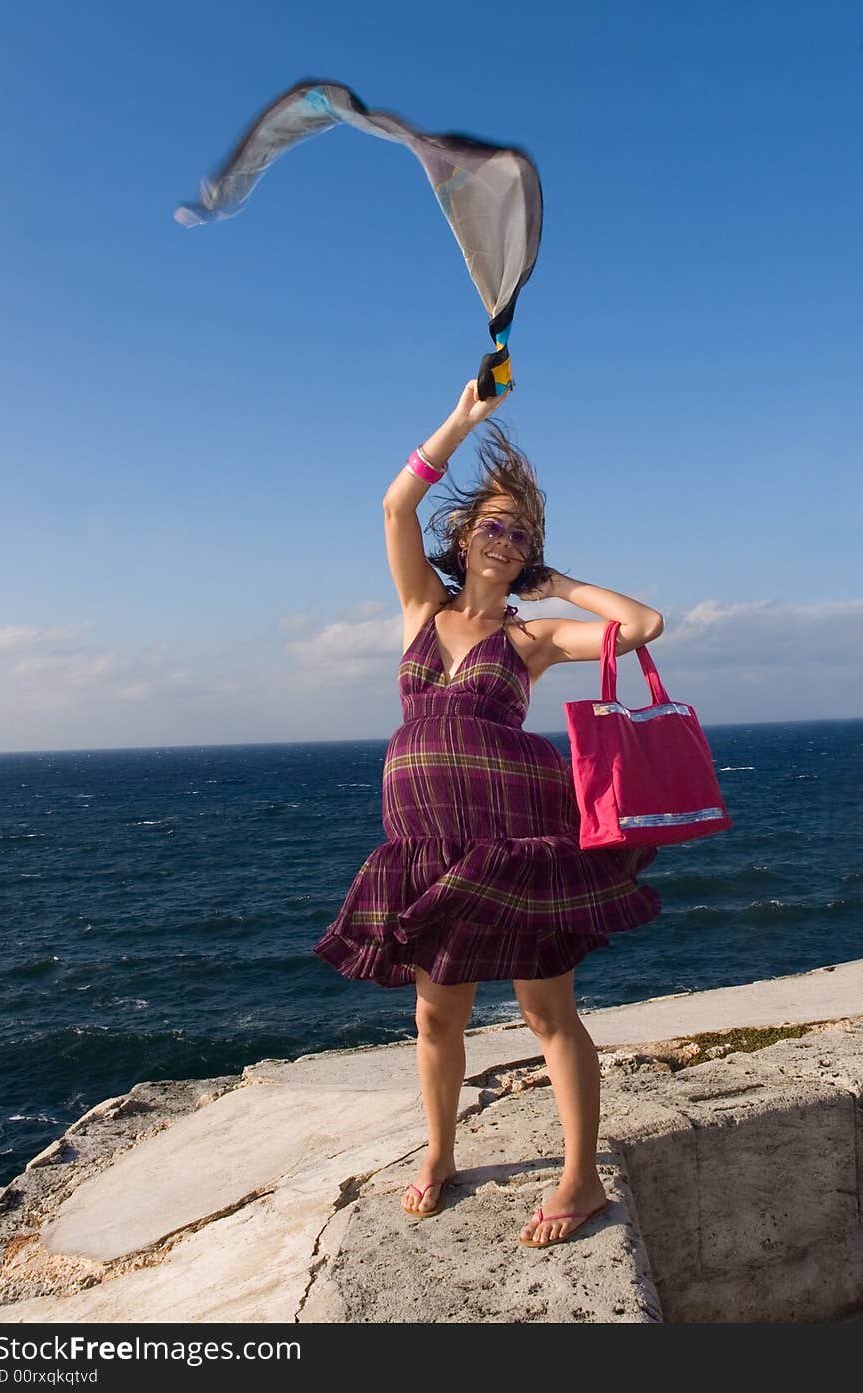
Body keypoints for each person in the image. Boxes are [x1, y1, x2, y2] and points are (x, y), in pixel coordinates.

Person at [313, 380, 664, 1248]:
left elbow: (645, 624)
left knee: (547, 1009)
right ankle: (439, 1152)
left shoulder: (530, 638)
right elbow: (396, 502)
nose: (505, 539)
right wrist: (465, 419)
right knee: (438, 1013)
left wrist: (563, 583)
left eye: (521, 533)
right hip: (426, 840)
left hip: (512, 837)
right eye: (493, 525)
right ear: (465, 537)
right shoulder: (420, 612)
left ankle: (579, 1176)